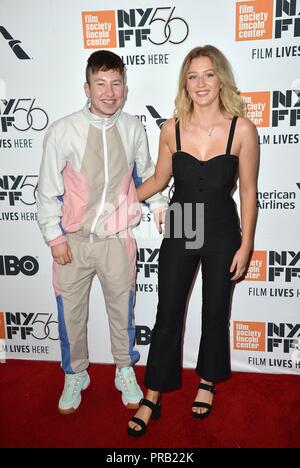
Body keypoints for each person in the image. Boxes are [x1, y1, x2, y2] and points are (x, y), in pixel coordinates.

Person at [127, 45, 258, 436]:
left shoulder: (242, 129)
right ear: (185, 82)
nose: (201, 83)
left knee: (215, 311)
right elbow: (157, 181)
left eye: (208, 74)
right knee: (168, 312)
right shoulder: (172, 128)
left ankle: (207, 380)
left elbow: (249, 192)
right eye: (192, 76)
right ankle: (154, 393)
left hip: (221, 226)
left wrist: (246, 244)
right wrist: (114, 199)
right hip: (183, 221)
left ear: (221, 79)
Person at [36, 50, 167, 415]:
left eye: (116, 84)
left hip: (117, 241)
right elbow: (46, 189)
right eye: (101, 84)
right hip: (73, 244)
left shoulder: (132, 128)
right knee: (71, 315)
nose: (109, 92)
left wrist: (158, 207)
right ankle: (75, 374)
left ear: (125, 87)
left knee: (121, 312)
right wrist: (55, 237)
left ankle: (124, 370)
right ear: (87, 87)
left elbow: (148, 173)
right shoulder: (64, 130)